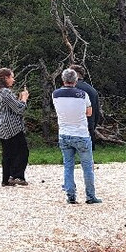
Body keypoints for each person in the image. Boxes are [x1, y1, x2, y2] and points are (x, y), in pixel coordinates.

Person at [52, 68, 100, 204]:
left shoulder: (55, 94)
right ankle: (90, 196)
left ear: (63, 80)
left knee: (68, 165)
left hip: (64, 133)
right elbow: (89, 112)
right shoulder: (82, 94)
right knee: (87, 166)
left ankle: (70, 195)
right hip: (81, 133)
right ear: (76, 80)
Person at [0, 67, 30, 187]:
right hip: (11, 127)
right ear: (6, 78)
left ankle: (6, 178)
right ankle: (17, 176)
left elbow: (12, 107)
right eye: (12, 77)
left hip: (1, 126)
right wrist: (24, 99)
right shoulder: (5, 92)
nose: (13, 80)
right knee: (22, 151)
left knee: (8, 152)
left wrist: (18, 100)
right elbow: (19, 109)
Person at [69, 64, 101, 145]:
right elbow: (97, 113)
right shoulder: (92, 90)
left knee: (69, 157)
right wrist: (92, 127)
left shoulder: (68, 89)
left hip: (71, 131)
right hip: (88, 130)